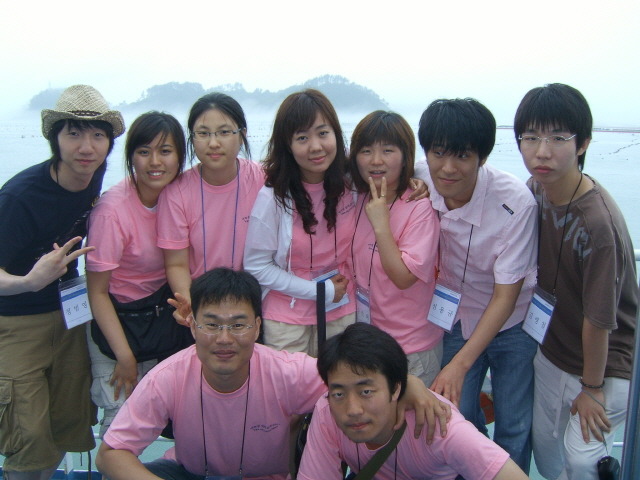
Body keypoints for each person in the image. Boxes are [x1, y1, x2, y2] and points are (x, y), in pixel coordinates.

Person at [95, 268, 451, 480]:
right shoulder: (168, 377)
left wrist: (410, 384)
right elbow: (111, 453)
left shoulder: (287, 372)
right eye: (211, 325)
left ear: (257, 327)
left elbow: (353, 382)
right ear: (192, 325)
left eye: (238, 325)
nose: (224, 339)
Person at [514, 83, 637, 480]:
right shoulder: (539, 188)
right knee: (547, 454)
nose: (542, 151)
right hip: (554, 347)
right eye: (531, 137)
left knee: (582, 460)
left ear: (582, 143)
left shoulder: (597, 225)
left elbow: (599, 321)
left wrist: (592, 389)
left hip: (603, 364)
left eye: (558, 138)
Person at [0, 85, 124, 480]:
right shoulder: (20, 197)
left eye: (98, 135)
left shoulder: (93, 177)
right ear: (55, 139)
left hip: (71, 317)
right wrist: (28, 281)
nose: (86, 147)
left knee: (66, 419)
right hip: (17, 324)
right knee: (27, 432)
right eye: (73, 134)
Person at [415, 98, 538, 472]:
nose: (448, 168)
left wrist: (459, 364)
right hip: (454, 317)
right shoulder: (418, 176)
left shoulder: (515, 203)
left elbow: (505, 297)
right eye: (438, 153)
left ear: (482, 157)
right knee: (459, 416)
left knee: (514, 424)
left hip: (511, 322)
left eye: (463, 156)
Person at [298, 322, 529, 480]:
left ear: (396, 388)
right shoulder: (327, 410)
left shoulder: (439, 425)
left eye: (366, 391)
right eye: (339, 394)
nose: (353, 409)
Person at [86, 111, 192, 437]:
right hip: (120, 325)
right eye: (144, 152)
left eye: (165, 151)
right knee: (121, 426)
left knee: (179, 417)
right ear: (131, 156)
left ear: (180, 156)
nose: (154, 162)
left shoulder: (183, 195)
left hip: (162, 321)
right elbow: (97, 292)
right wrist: (125, 357)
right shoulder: (112, 211)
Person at [243, 89, 356, 355]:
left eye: (323, 133)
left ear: (336, 134)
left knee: (340, 379)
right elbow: (257, 265)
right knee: (291, 383)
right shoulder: (273, 197)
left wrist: (416, 182)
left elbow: (390, 174)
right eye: (302, 138)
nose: (315, 146)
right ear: (287, 145)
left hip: (341, 307)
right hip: (287, 319)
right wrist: (318, 290)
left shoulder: (351, 184)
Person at [348, 111, 442, 387]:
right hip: (366, 340)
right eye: (366, 151)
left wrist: (381, 225)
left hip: (410, 348)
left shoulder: (419, 206)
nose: (376, 160)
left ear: (404, 157)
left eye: (388, 150)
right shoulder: (357, 196)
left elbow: (403, 277)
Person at [157, 93, 265, 312]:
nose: (213, 143)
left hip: (257, 301)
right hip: (202, 302)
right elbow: (177, 264)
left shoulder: (263, 179)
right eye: (203, 133)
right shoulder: (177, 193)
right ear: (192, 138)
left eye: (224, 132)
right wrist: (193, 310)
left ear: (242, 135)